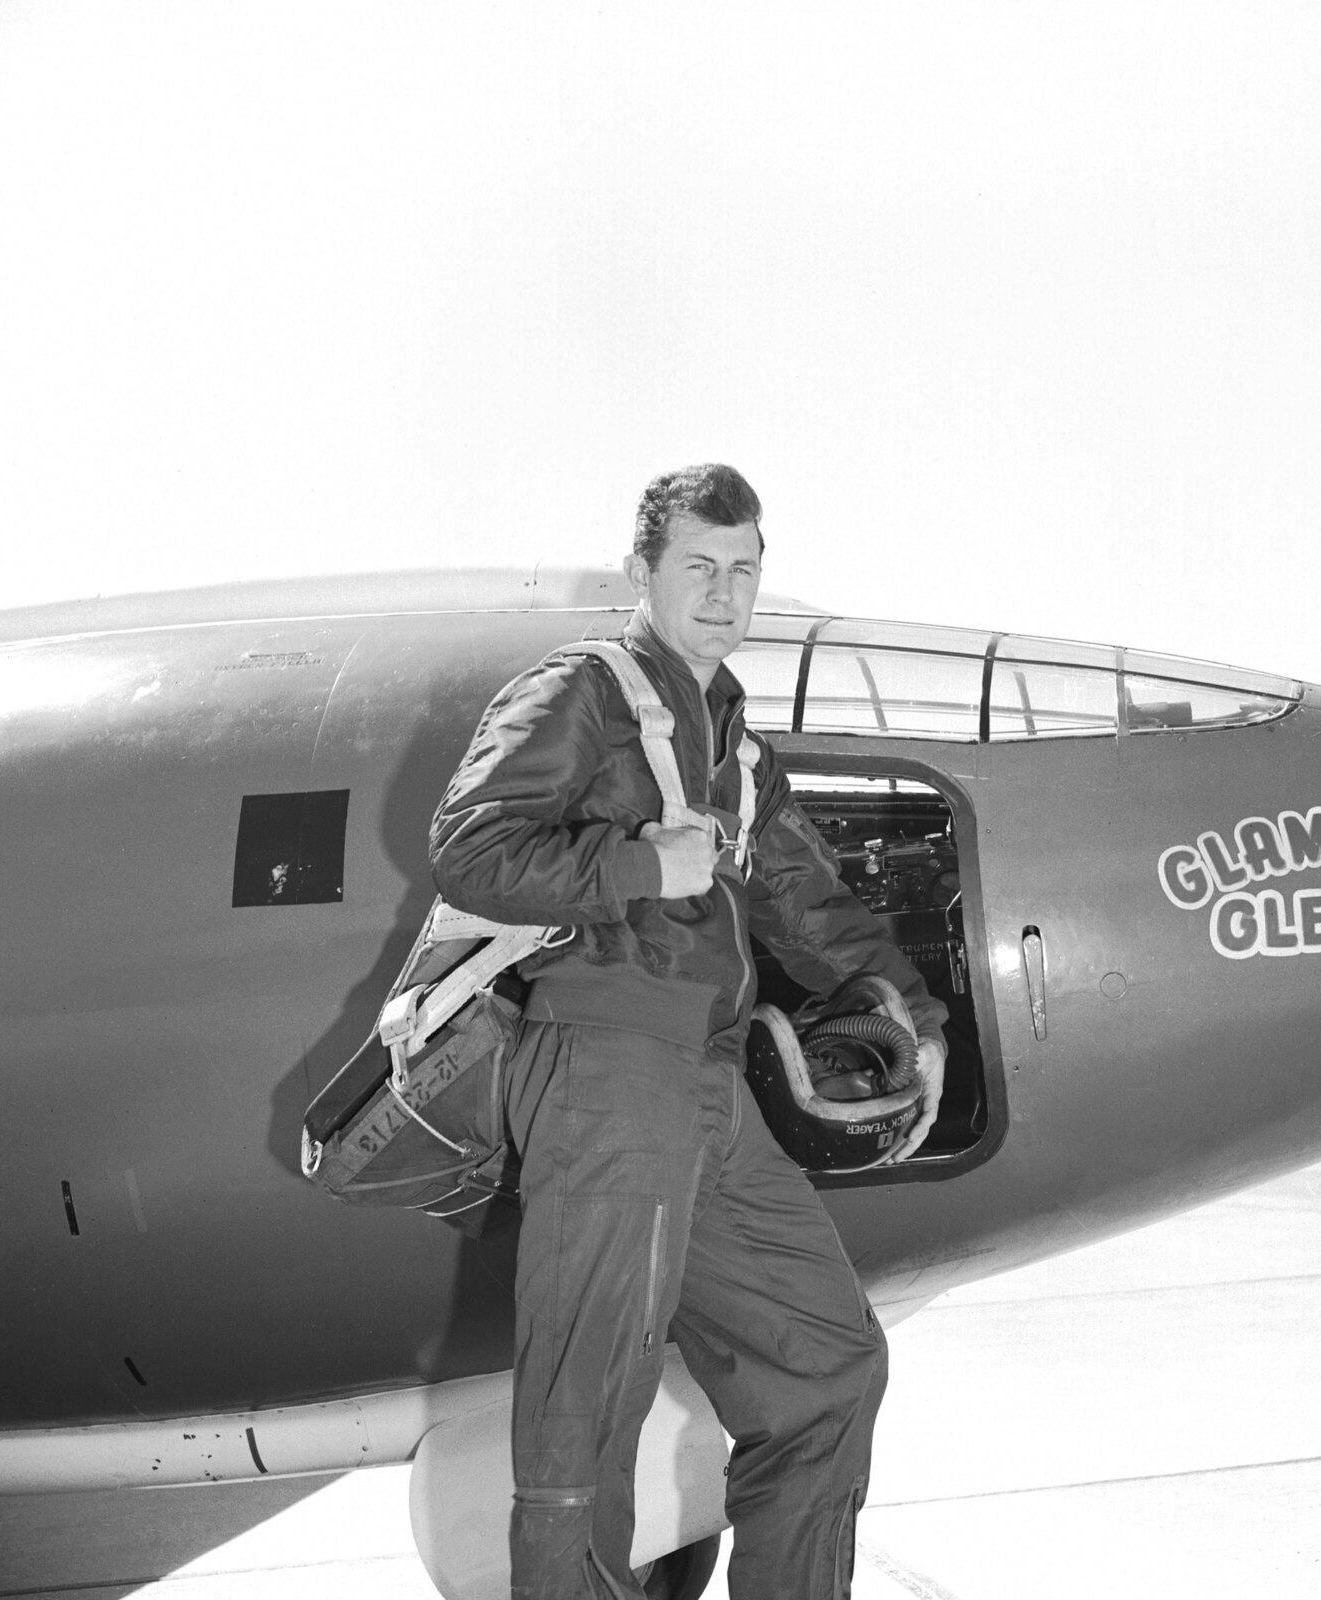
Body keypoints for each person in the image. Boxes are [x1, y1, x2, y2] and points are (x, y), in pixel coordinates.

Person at [429, 463, 949, 1599]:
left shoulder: (731, 741)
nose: (724, 592)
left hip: (707, 1090)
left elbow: (808, 901)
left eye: (743, 569)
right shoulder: (583, 691)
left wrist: (912, 1011)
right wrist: (634, 864)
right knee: (587, 1415)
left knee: (826, 1366)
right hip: (602, 1071)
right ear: (644, 573)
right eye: (699, 567)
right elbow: (468, 847)